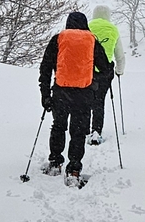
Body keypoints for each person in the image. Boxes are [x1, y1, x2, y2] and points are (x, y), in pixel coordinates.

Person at [38, 11, 113, 187]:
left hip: (60, 92)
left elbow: (45, 68)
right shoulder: (92, 40)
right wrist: (95, 84)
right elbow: (104, 69)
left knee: (58, 126)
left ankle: (55, 163)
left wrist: (45, 95)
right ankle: (74, 170)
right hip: (83, 94)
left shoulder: (58, 39)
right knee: (78, 132)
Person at [86, 4, 125, 145]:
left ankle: (83, 128)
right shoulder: (113, 30)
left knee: (85, 99)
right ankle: (96, 130)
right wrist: (119, 71)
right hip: (105, 73)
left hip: (87, 71)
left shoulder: (88, 27)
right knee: (99, 101)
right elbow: (119, 55)